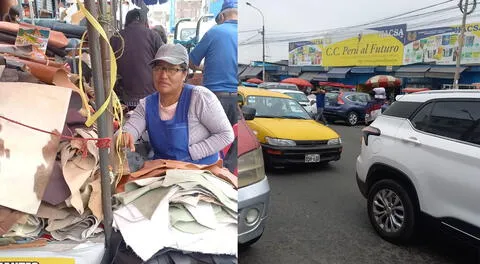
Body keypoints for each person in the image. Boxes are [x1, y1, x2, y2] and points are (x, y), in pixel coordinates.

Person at [118, 43, 234, 165]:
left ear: (184, 74)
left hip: (200, 170)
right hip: (163, 170)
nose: (163, 75)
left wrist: (192, 153)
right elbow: (132, 128)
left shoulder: (199, 98)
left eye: (172, 69)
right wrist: (126, 135)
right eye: (158, 68)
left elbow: (226, 134)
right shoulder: (146, 104)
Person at [188, 0, 238, 125]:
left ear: (221, 16)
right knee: (234, 138)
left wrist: (206, 67)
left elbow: (191, 62)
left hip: (215, 97)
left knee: (212, 140)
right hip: (239, 98)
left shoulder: (214, 32)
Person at [110, 8, 164, 110]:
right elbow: (165, 61)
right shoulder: (153, 36)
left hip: (125, 98)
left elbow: (108, 67)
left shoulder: (115, 38)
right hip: (150, 95)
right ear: (144, 21)